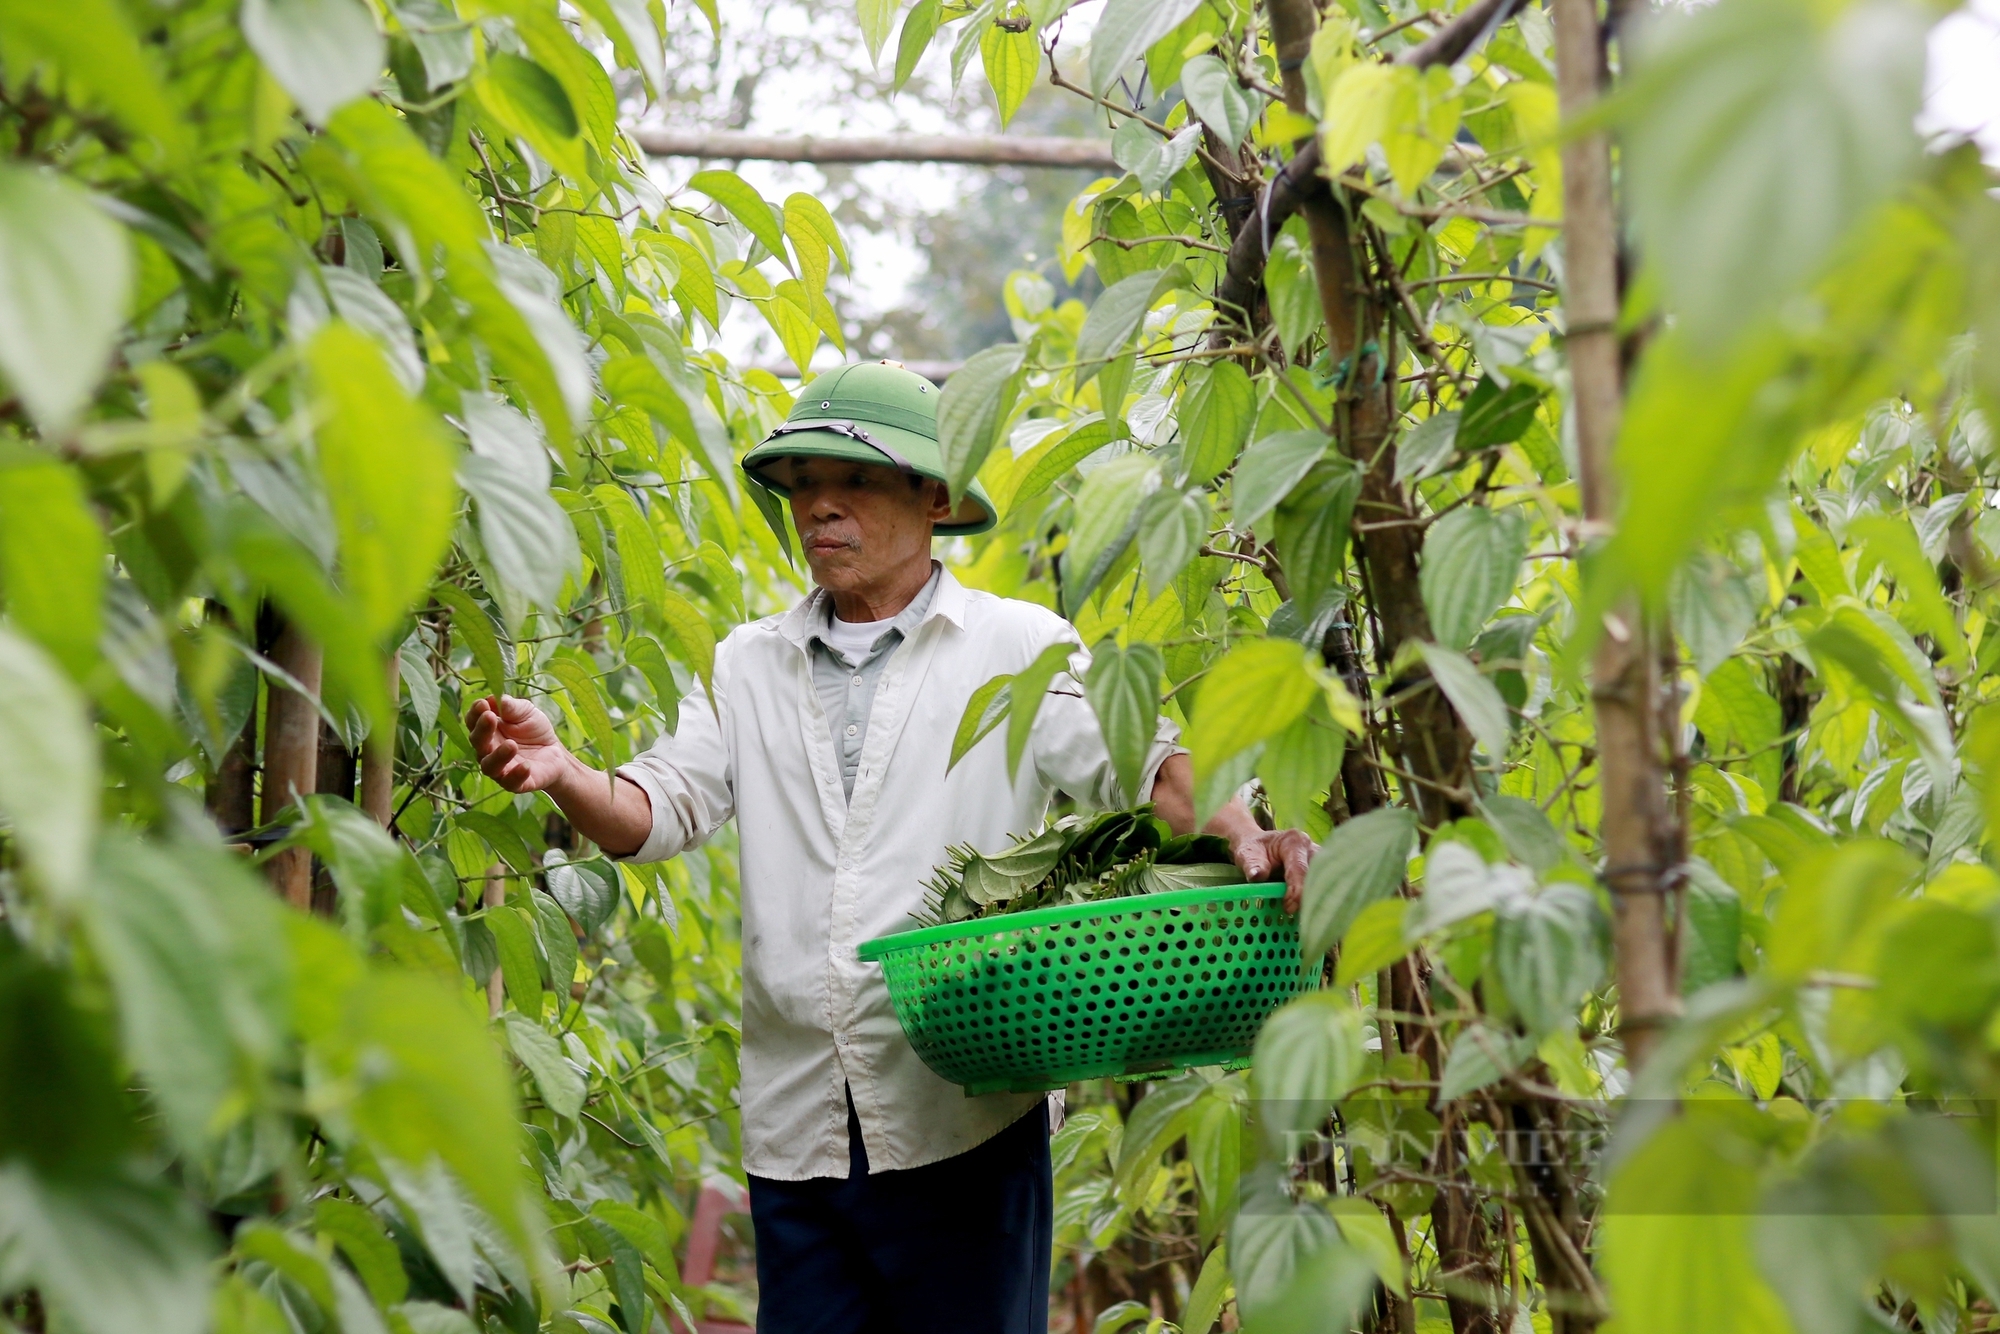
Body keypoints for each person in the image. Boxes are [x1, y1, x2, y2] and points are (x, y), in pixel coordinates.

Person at [467, 361, 1314, 1333]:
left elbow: (1149, 770)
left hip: (962, 1117)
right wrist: (564, 769)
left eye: (857, 480)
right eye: (801, 484)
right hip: (798, 1130)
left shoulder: (1012, 645)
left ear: (935, 498)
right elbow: (654, 809)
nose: (819, 505)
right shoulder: (748, 661)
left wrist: (1248, 831)